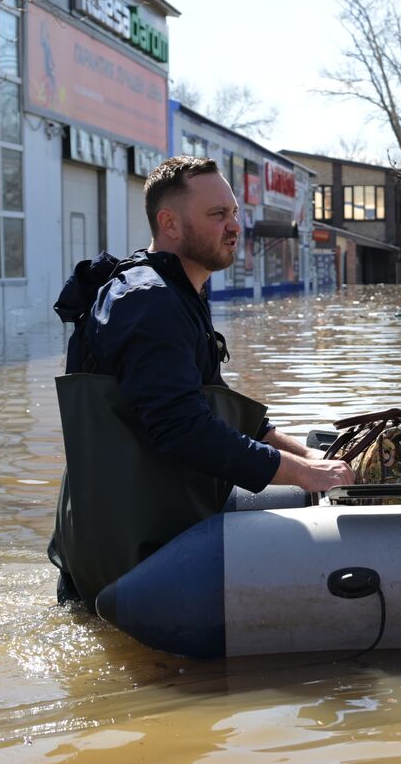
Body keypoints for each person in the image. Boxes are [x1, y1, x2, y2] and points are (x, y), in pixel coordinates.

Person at [49, 156, 352, 606]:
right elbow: (184, 429)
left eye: (234, 213)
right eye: (217, 215)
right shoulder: (147, 302)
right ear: (169, 222)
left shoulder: (177, 291)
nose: (234, 227)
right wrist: (306, 474)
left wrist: (309, 454)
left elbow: (217, 408)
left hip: (155, 522)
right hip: (130, 552)